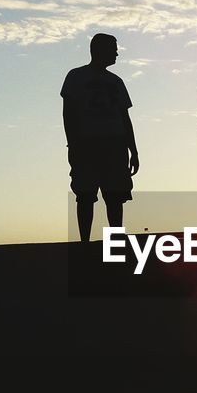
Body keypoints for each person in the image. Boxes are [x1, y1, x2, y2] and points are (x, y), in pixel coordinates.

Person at [61, 33, 139, 243]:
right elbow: (68, 114)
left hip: (114, 144)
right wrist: (73, 143)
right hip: (88, 143)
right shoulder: (75, 77)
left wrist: (134, 149)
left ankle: (114, 242)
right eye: (113, 48)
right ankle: (84, 242)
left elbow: (125, 118)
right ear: (99, 49)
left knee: (114, 198)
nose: (116, 53)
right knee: (86, 195)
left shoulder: (116, 81)